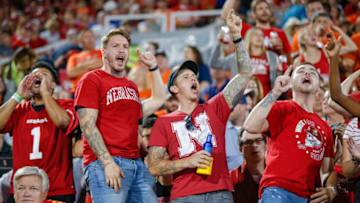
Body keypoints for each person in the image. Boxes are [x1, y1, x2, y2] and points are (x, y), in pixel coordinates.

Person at [147, 10, 253, 202]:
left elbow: (245, 74)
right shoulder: (163, 123)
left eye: (194, 76)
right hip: (185, 196)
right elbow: (154, 166)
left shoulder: (215, 107)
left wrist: (237, 37)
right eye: (186, 77)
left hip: (221, 192)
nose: (193, 78)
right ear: (174, 88)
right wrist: (188, 161)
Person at [74, 28, 166, 203]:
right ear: (104, 52)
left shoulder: (131, 86)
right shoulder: (91, 79)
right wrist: (107, 163)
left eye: (125, 46)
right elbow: (88, 126)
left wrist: (153, 67)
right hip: (105, 162)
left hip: (135, 163)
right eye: (115, 46)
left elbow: (159, 98)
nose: (122, 49)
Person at [244, 62, 336, 202]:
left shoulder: (326, 128)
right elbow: (250, 125)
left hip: (309, 196)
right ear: (291, 82)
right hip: (277, 190)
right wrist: (275, 92)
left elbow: (325, 171)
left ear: (319, 85)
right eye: (301, 71)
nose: (307, 73)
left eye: (312, 71)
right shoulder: (281, 108)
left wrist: (330, 190)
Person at [0, 61, 78, 203]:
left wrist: (45, 93)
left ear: (54, 85)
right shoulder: (19, 109)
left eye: (44, 75)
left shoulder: (66, 105)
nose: (38, 78)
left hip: (57, 189)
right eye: (34, 75)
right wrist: (18, 95)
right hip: (22, 190)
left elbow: (63, 122)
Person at [230, 129, 266, 203]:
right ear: (240, 149)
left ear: (266, 145)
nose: (254, 145)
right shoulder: (230, 179)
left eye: (259, 140)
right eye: (248, 142)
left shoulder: (279, 176)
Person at [66, 29, 102, 95]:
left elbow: (102, 63)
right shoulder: (74, 57)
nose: (90, 39)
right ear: (81, 41)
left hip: (99, 88)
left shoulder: (101, 52)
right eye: (86, 37)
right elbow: (71, 73)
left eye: (91, 36)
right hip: (79, 90)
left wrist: (81, 66)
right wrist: (93, 65)